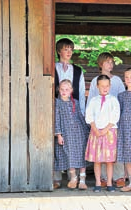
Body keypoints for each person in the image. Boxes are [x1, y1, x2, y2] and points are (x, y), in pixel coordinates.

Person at [86, 52, 126, 188]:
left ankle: (118, 176)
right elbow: (90, 100)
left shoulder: (117, 80)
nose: (111, 64)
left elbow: (122, 98)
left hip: (112, 122)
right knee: (100, 152)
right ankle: (102, 178)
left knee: (113, 151)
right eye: (108, 62)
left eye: (112, 61)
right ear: (101, 63)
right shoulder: (94, 81)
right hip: (98, 122)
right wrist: (93, 125)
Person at [53, 38, 86, 189]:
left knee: (74, 145)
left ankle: (75, 177)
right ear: (59, 51)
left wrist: (83, 115)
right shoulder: (52, 67)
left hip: (73, 110)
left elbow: (80, 91)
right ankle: (56, 178)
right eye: (66, 49)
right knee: (57, 145)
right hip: (57, 109)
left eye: (71, 49)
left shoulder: (77, 70)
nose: (69, 52)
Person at [85, 75, 120, 192]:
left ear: (110, 86)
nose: (105, 88)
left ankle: (109, 182)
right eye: (102, 86)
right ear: (97, 86)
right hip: (96, 132)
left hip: (109, 132)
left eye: (107, 86)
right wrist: (94, 128)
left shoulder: (113, 100)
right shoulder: (93, 101)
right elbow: (89, 115)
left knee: (109, 160)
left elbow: (116, 115)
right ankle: (98, 182)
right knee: (97, 159)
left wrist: (106, 129)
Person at [54, 80, 89, 190]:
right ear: (58, 90)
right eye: (62, 89)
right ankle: (73, 178)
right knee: (70, 156)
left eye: (67, 89)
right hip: (67, 134)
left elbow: (80, 117)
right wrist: (59, 134)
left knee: (81, 156)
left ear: (71, 91)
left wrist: (88, 131)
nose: (64, 91)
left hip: (79, 133)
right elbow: (57, 119)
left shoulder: (76, 102)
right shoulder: (57, 103)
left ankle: (82, 180)